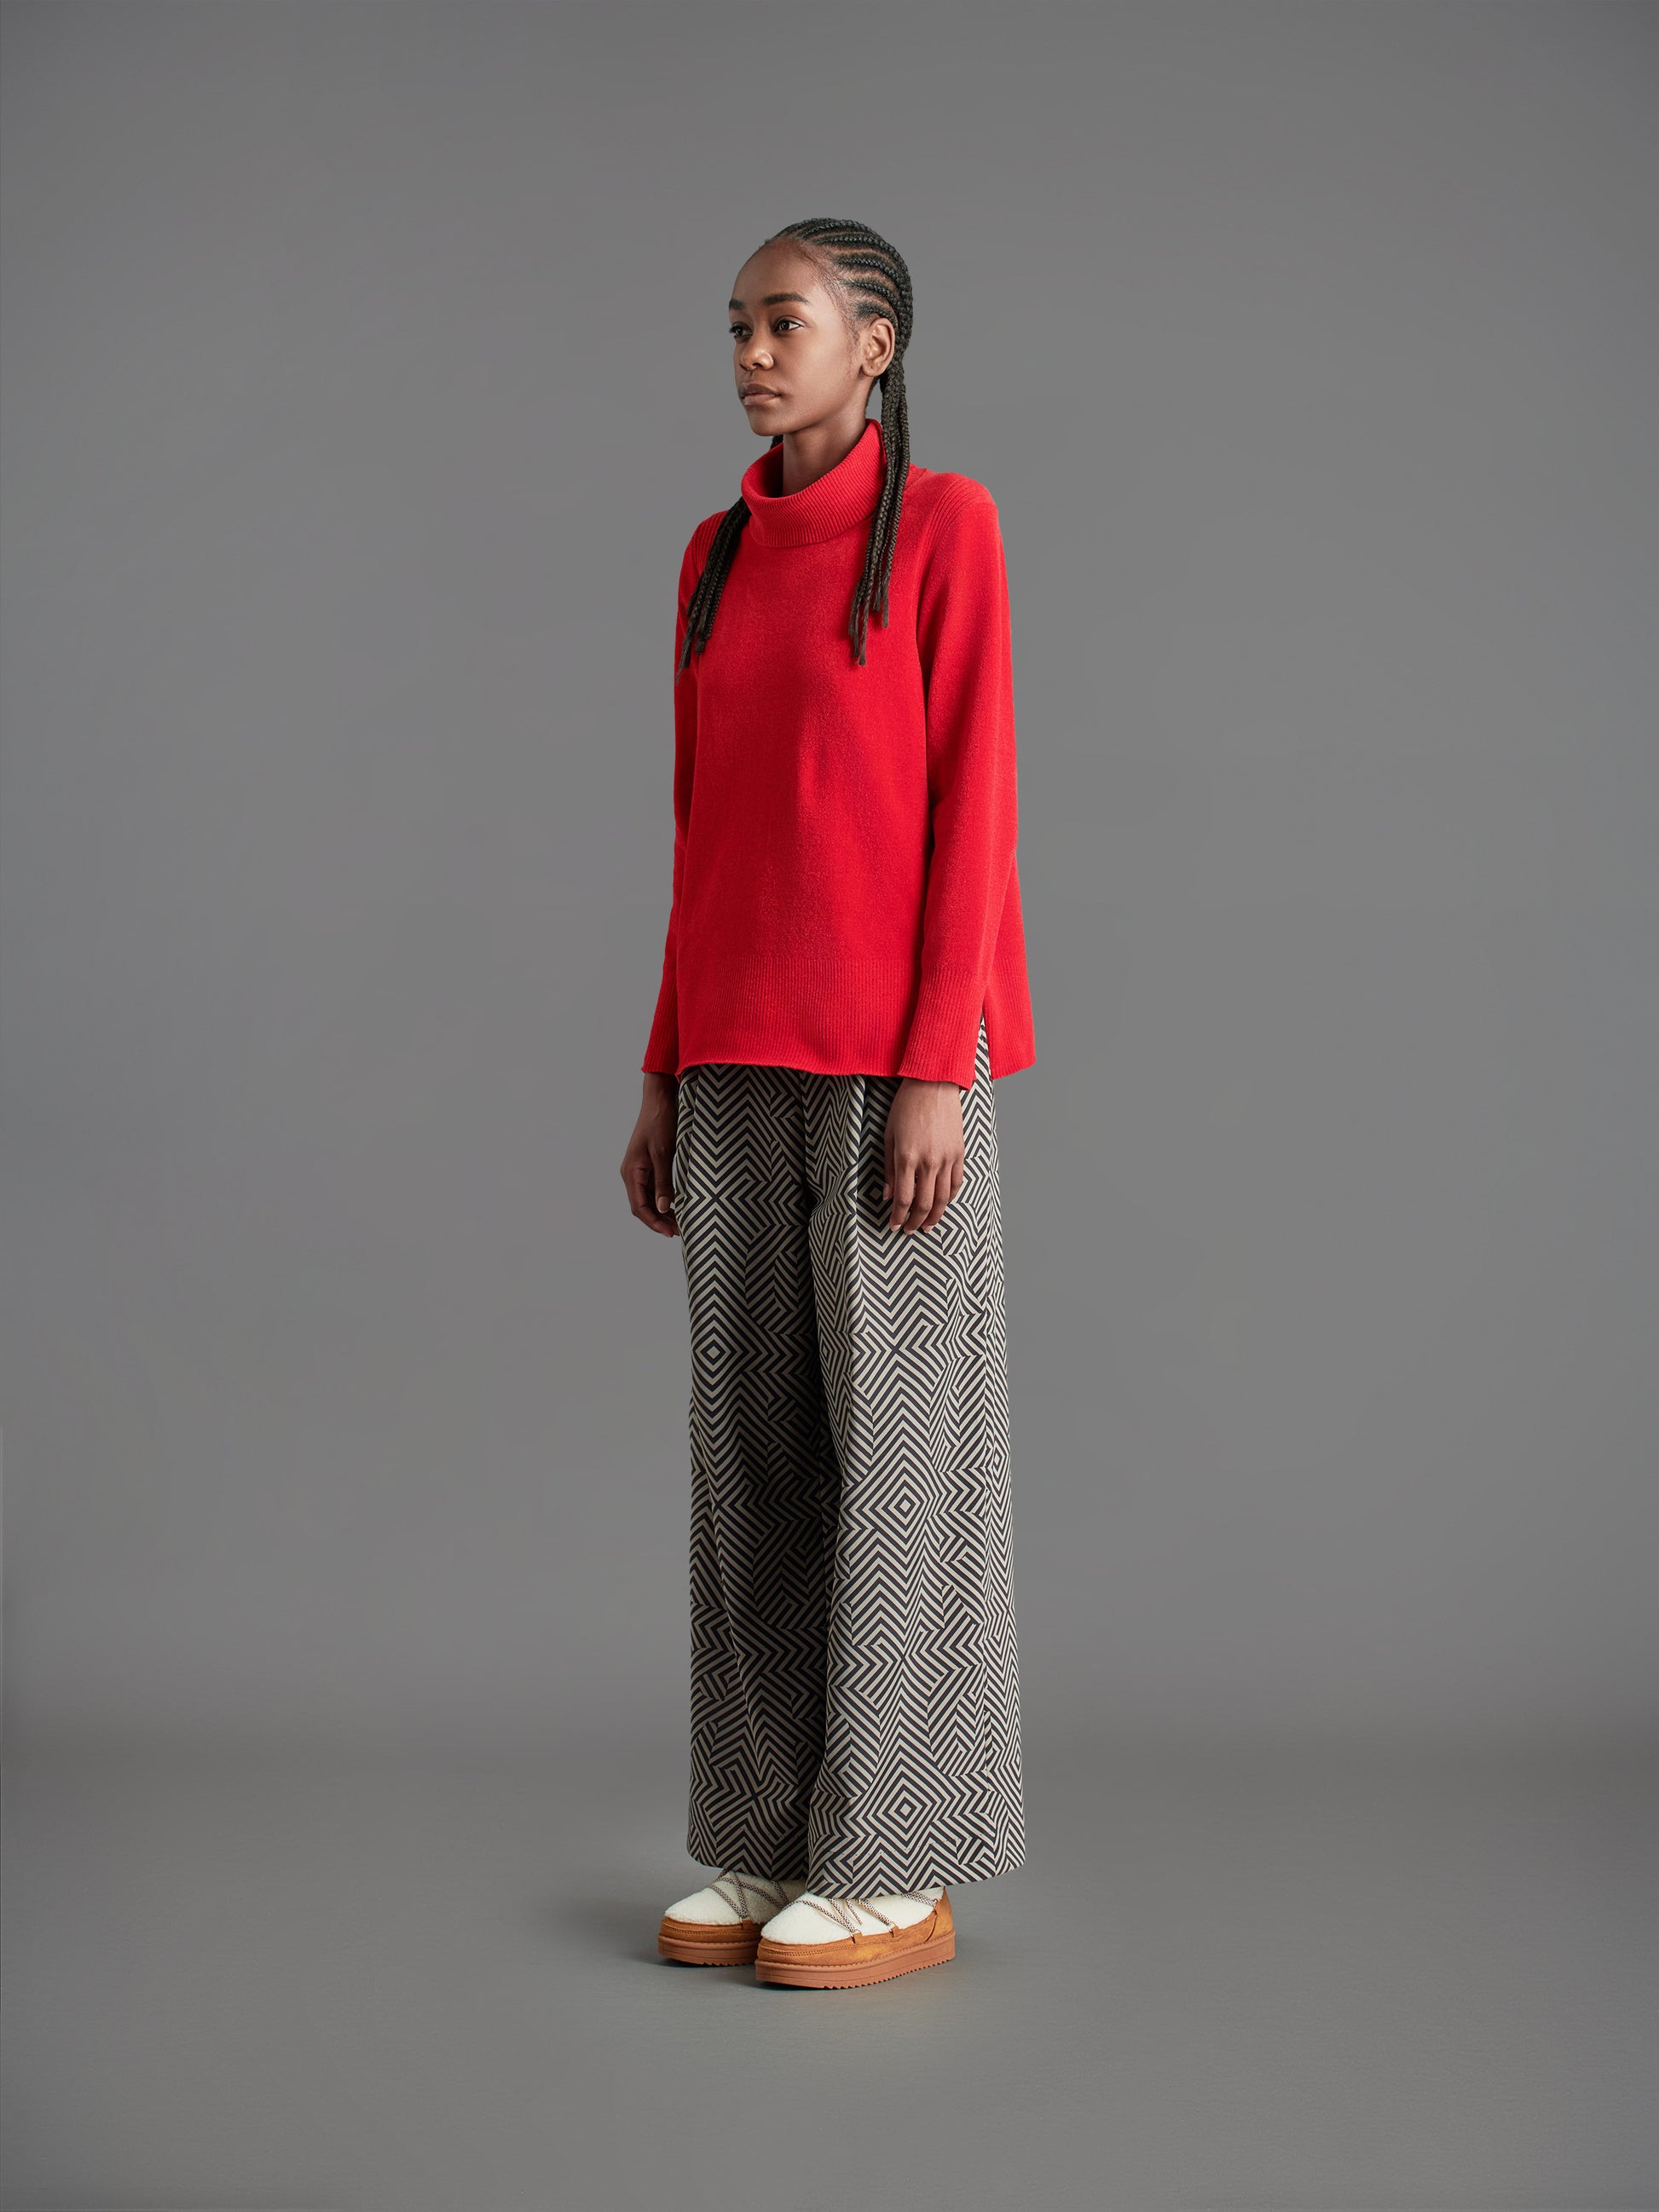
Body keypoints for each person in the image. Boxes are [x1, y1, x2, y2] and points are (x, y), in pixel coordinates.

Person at [620, 217, 1035, 1991]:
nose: (749, 353)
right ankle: (769, 1831)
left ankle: (896, 1858)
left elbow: (974, 801)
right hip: (731, 1062)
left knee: (905, 1459)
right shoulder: (712, 556)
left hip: (889, 1066)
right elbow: (696, 831)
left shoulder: (944, 528)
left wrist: (941, 1060)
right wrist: (659, 1061)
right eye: (736, 325)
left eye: (782, 322)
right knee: (752, 1454)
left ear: (875, 344)